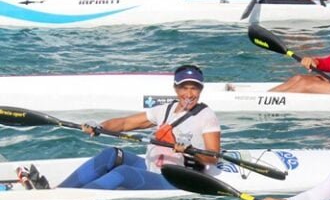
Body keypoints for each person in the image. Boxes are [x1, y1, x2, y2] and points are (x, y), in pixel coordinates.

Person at [56, 65, 221, 190]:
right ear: (175, 89)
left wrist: (190, 150)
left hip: (179, 179)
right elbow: (125, 123)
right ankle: (60, 191)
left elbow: (213, 158)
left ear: (201, 89)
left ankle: (77, 197)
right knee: (111, 154)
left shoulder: (206, 116)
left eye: (194, 88)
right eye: (184, 88)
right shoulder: (165, 110)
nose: (189, 94)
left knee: (124, 172)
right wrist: (99, 126)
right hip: (154, 167)